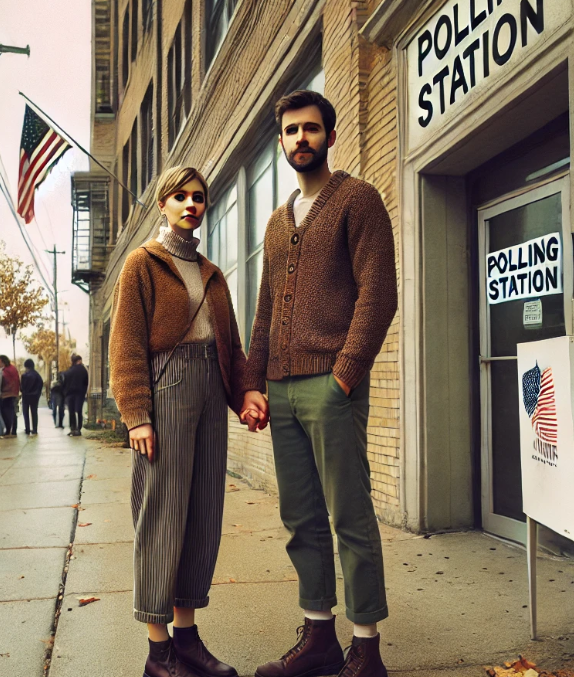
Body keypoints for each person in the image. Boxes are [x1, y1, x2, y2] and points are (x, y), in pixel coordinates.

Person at [242, 90, 398, 677]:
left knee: (349, 515)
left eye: (310, 129)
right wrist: (251, 384)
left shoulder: (357, 200)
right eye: (290, 131)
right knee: (300, 518)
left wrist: (343, 377)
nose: (300, 139)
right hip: (280, 391)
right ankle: (319, 638)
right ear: (281, 142)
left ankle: (367, 647)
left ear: (330, 137)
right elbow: (263, 311)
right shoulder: (278, 223)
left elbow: (377, 294)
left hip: (329, 387)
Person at [110, 166, 249, 677]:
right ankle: (158, 650)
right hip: (165, 392)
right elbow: (124, 346)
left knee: (202, 516)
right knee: (162, 518)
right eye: (180, 196)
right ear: (163, 204)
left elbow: (230, 347)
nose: (191, 204)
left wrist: (245, 395)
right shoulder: (142, 264)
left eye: (198, 197)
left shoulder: (212, 274)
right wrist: (137, 416)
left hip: (211, 390)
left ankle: (187, 639)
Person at [61, 355, 89, 437]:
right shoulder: (83, 370)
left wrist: (65, 392)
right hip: (80, 393)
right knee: (79, 411)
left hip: (70, 394)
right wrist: (84, 392)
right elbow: (86, 382)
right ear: (79, 360)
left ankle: (72, 428)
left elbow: (64, 382)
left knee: (71, 411)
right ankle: (78, 428)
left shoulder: (69, 371)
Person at [20, 358, 44, 435]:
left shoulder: (24, 376)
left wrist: (24, 392)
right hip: (34, 397)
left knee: (25, 413)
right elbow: (40, 385)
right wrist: (37, 394)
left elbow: (21, 387)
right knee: (34, 413)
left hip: (26, 396)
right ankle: (34, 429)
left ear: (26, 367)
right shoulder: (37, 376)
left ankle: (27, 428)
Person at [0, 355, 19, 436]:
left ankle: (8, 430)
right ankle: (14, 430)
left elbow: (4, 381)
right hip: (14, 393)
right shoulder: (13, 369)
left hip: (6, 394)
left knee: (6, 412)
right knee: (12, 412)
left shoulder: (5, 371)